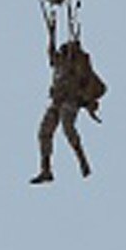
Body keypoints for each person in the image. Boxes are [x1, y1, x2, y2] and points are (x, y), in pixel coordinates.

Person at [30, 10, 107, 185]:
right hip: (57, 101)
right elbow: (50, 52)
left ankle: (83, 162)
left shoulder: (76, 65)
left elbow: (86, 76)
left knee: (68, 129)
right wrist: (51, 31)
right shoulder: (59, 63)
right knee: (44, 132)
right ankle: (46, 169)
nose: (61, 52)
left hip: (70, 101)